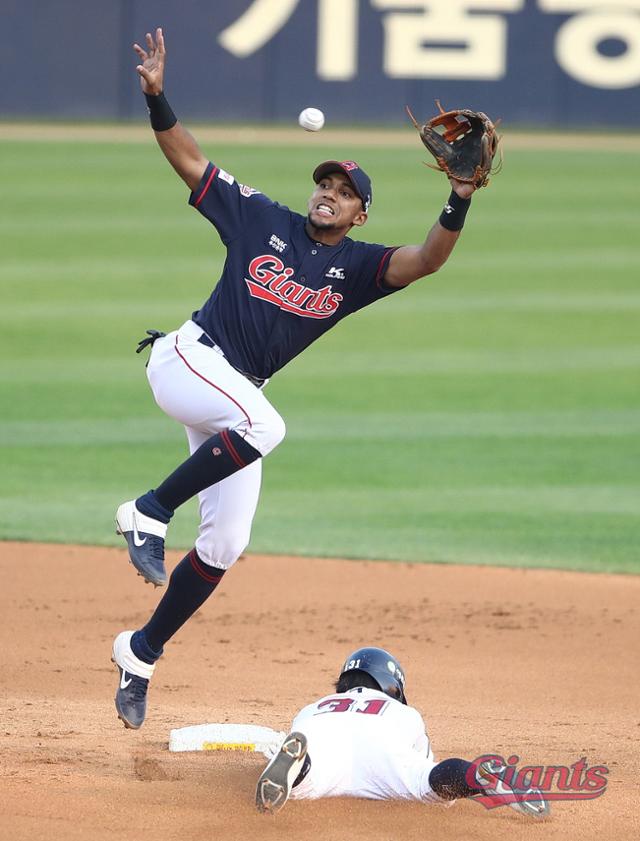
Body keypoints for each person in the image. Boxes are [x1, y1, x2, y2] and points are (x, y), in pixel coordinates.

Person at [111, 27, 476, 730]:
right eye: (324, 184)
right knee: (265, 425)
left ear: (360, 213)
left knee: (224, 544)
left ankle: (140, 653)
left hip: (233, 394)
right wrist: (158, 98)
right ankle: (148, 510)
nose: (328, 195)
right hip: (189, 358)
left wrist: (460, 195)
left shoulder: (360, 268)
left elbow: (429, 259)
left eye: (343, 192)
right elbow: (190, 162)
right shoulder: (259, 219)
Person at [255, 646, 549, 817]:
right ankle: (480, 776)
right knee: (427, 782)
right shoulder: (401, 711)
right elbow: (426, 764)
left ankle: (301, 766)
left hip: (320, 734)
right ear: (389, 685)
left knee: (306, 781)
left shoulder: (314, 706)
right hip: (380, 745)